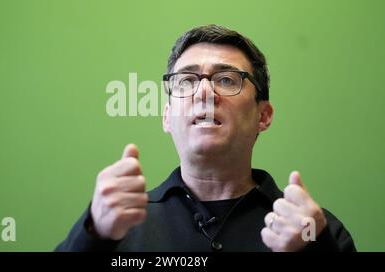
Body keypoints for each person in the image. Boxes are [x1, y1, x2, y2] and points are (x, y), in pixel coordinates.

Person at [55, 25, 356, 252]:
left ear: (263, 116)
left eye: (226, 80)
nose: (204, 92)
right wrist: (93, 236)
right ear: (167, 117)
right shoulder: (115, 226)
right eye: (187, 80)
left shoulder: (314, 231)